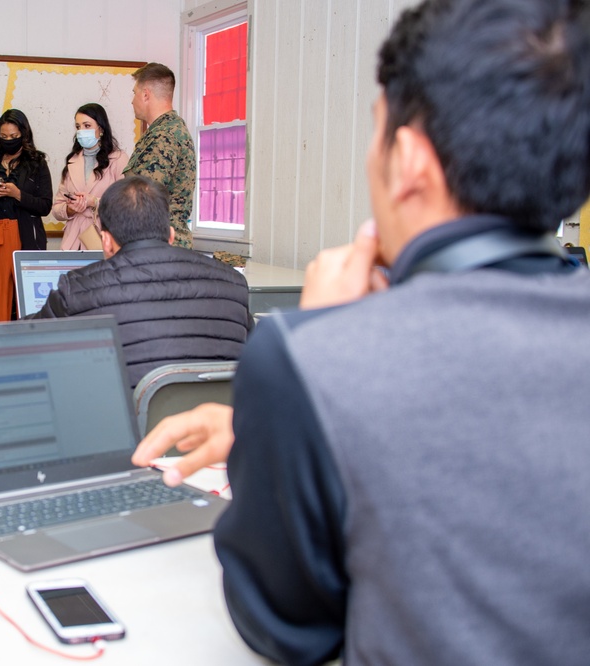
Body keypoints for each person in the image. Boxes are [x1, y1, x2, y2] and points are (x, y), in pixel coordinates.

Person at [132, 1, 590, 664]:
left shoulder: (313, 360)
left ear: (407, 161)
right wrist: (296, 426)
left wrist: (312, 362)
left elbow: (283, 627)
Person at [29, 175, 251, 388]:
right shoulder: (234, 284)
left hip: (124, 425)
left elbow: (22, 342)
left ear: (105, 241)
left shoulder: (76, 289)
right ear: (171, 236)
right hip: (213, 425)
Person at [0, 109, 53, 322]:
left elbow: (45, 205)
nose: (9, 141)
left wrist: (17, 194)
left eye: (14, 137)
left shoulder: (37, 163)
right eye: (4, 137)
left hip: (25, 234)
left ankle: (29, 346)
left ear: (24, 135)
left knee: (28, 296)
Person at [124, 63, 196, 249]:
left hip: (160, 247)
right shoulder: (166, 130)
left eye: (134, 93)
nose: (132, 100)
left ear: (146, 94)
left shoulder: (164, 135)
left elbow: (142, 197)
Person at [51, 103, 129, 250]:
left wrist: (93, 202)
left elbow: (126, 205)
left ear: (101, 129)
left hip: (104, 237)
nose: (81, 131)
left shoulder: (118, 159)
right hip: (73, 240)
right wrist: (70, 209)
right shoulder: (72, 161)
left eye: (87, 126)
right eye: (78, 127)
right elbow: (56, 208)